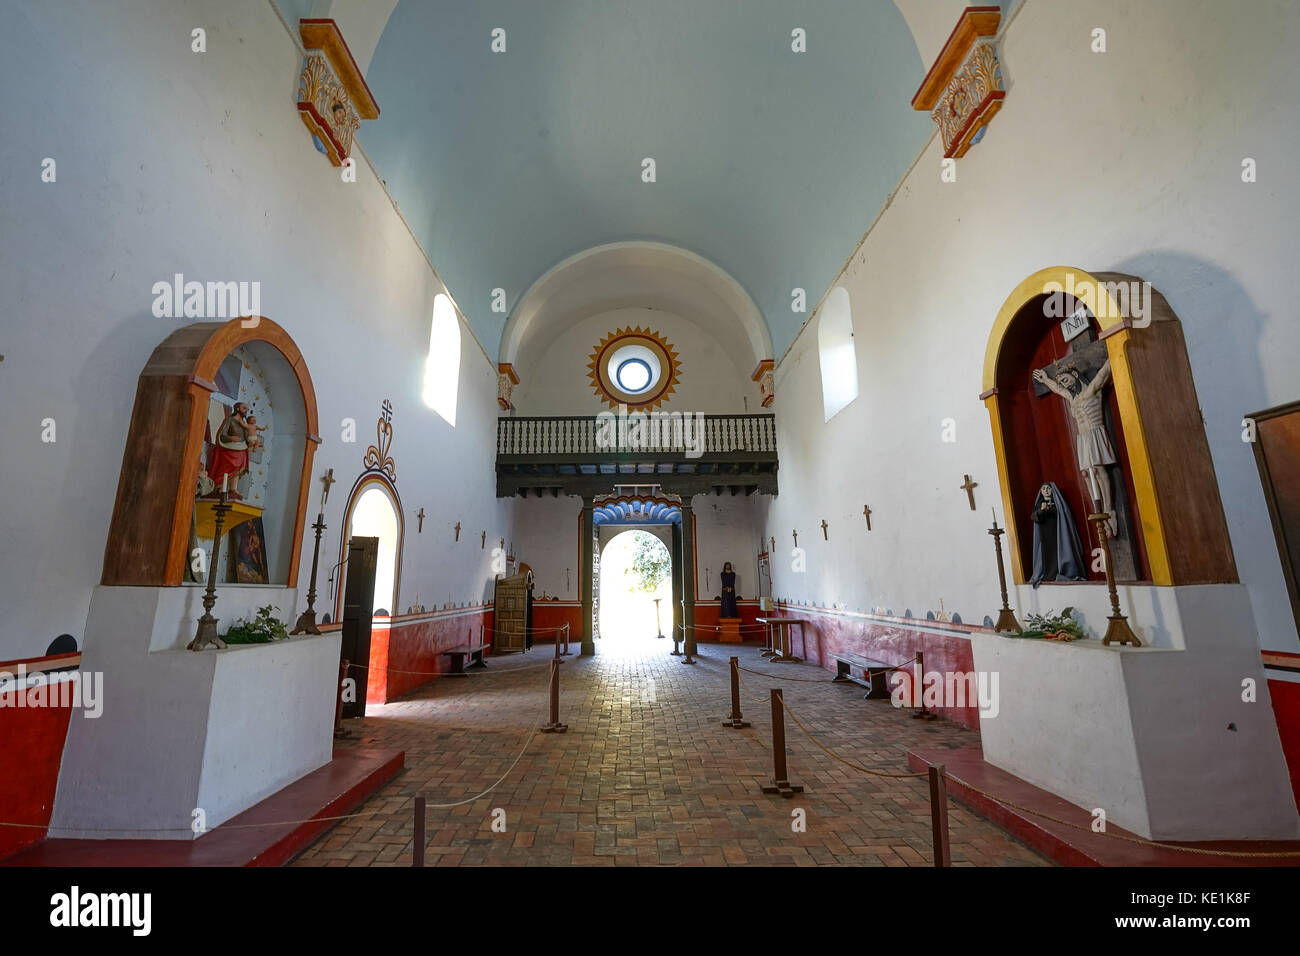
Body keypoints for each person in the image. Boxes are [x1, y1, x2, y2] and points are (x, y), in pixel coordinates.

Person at [1032, 359, 1117, 535]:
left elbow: (1105, 371)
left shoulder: (1092, 389)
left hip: (1095, 433)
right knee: (1087, 475)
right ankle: (1099, 512)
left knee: (1099, 472)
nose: (1064, 385)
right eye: (1061, 381)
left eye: (1065, 379)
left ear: (1075, 375)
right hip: (1082, 439)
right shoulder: (1073, 398)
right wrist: (1046, 379)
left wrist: (1114, 341)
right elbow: (1058, 389)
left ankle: (1109, 511)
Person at [206, 402, 255, 498]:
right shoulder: (230, 420)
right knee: (227, 468)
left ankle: (233, 488)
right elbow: (222, 435)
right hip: (229, 450)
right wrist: (231, 438)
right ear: (237, 409)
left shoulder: (244, 424)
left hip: (241, 449)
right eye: (244, 408)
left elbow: (246, 437)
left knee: (238, 469)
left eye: (247, 409)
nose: (246, 411)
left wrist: (252, 440)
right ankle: (220, 487)